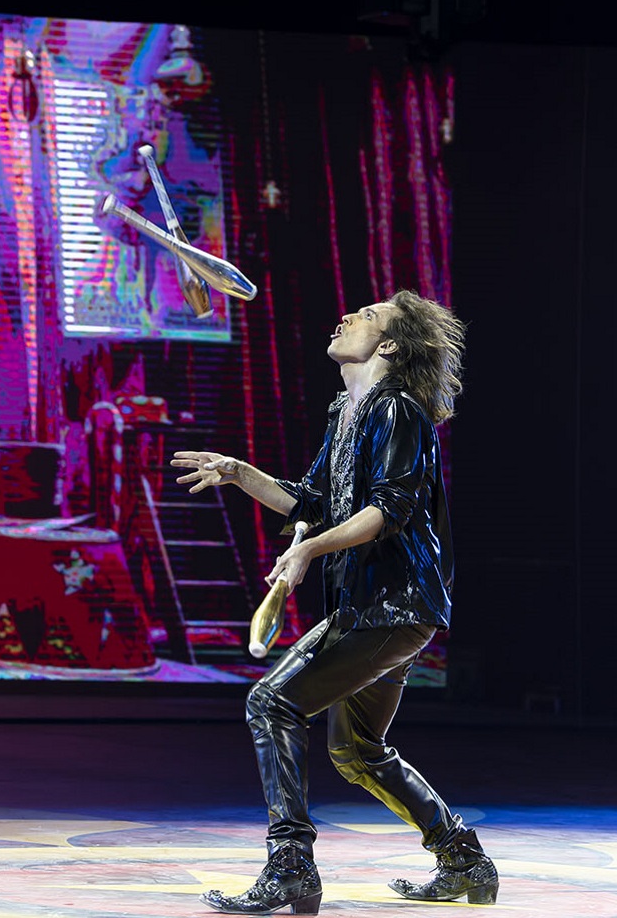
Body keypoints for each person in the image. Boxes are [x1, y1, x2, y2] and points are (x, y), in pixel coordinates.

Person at [171, 290, 496, 913]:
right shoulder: (346, 412)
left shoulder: (397, 410)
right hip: (374, 610)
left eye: (368, 316)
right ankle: (464, 861)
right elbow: (311, 501)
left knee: (272, 703)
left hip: (393, 606)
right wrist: (240, 472)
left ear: (390, 345)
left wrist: (308, 551)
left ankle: (290, 866)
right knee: (356, 750)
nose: (346, 316)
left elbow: (389, 510)